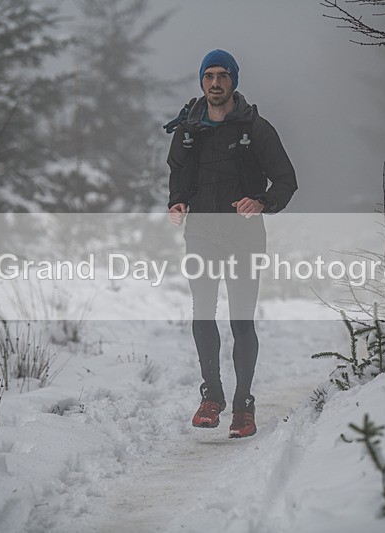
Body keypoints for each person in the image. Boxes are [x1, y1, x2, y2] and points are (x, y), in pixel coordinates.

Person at [165, 49, 297, 438]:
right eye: (209, 76)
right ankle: (212, 396)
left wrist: (262, 202)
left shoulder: (256, 128)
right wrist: (177, 201)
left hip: (243, 235)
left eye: (223, 75)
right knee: (203, 312)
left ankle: (243, 404)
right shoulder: (188, 130)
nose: (216, 82)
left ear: (233, 81)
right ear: (202, 82)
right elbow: (177, 175)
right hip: (201, 232)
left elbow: (287, 181)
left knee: (241, 319)